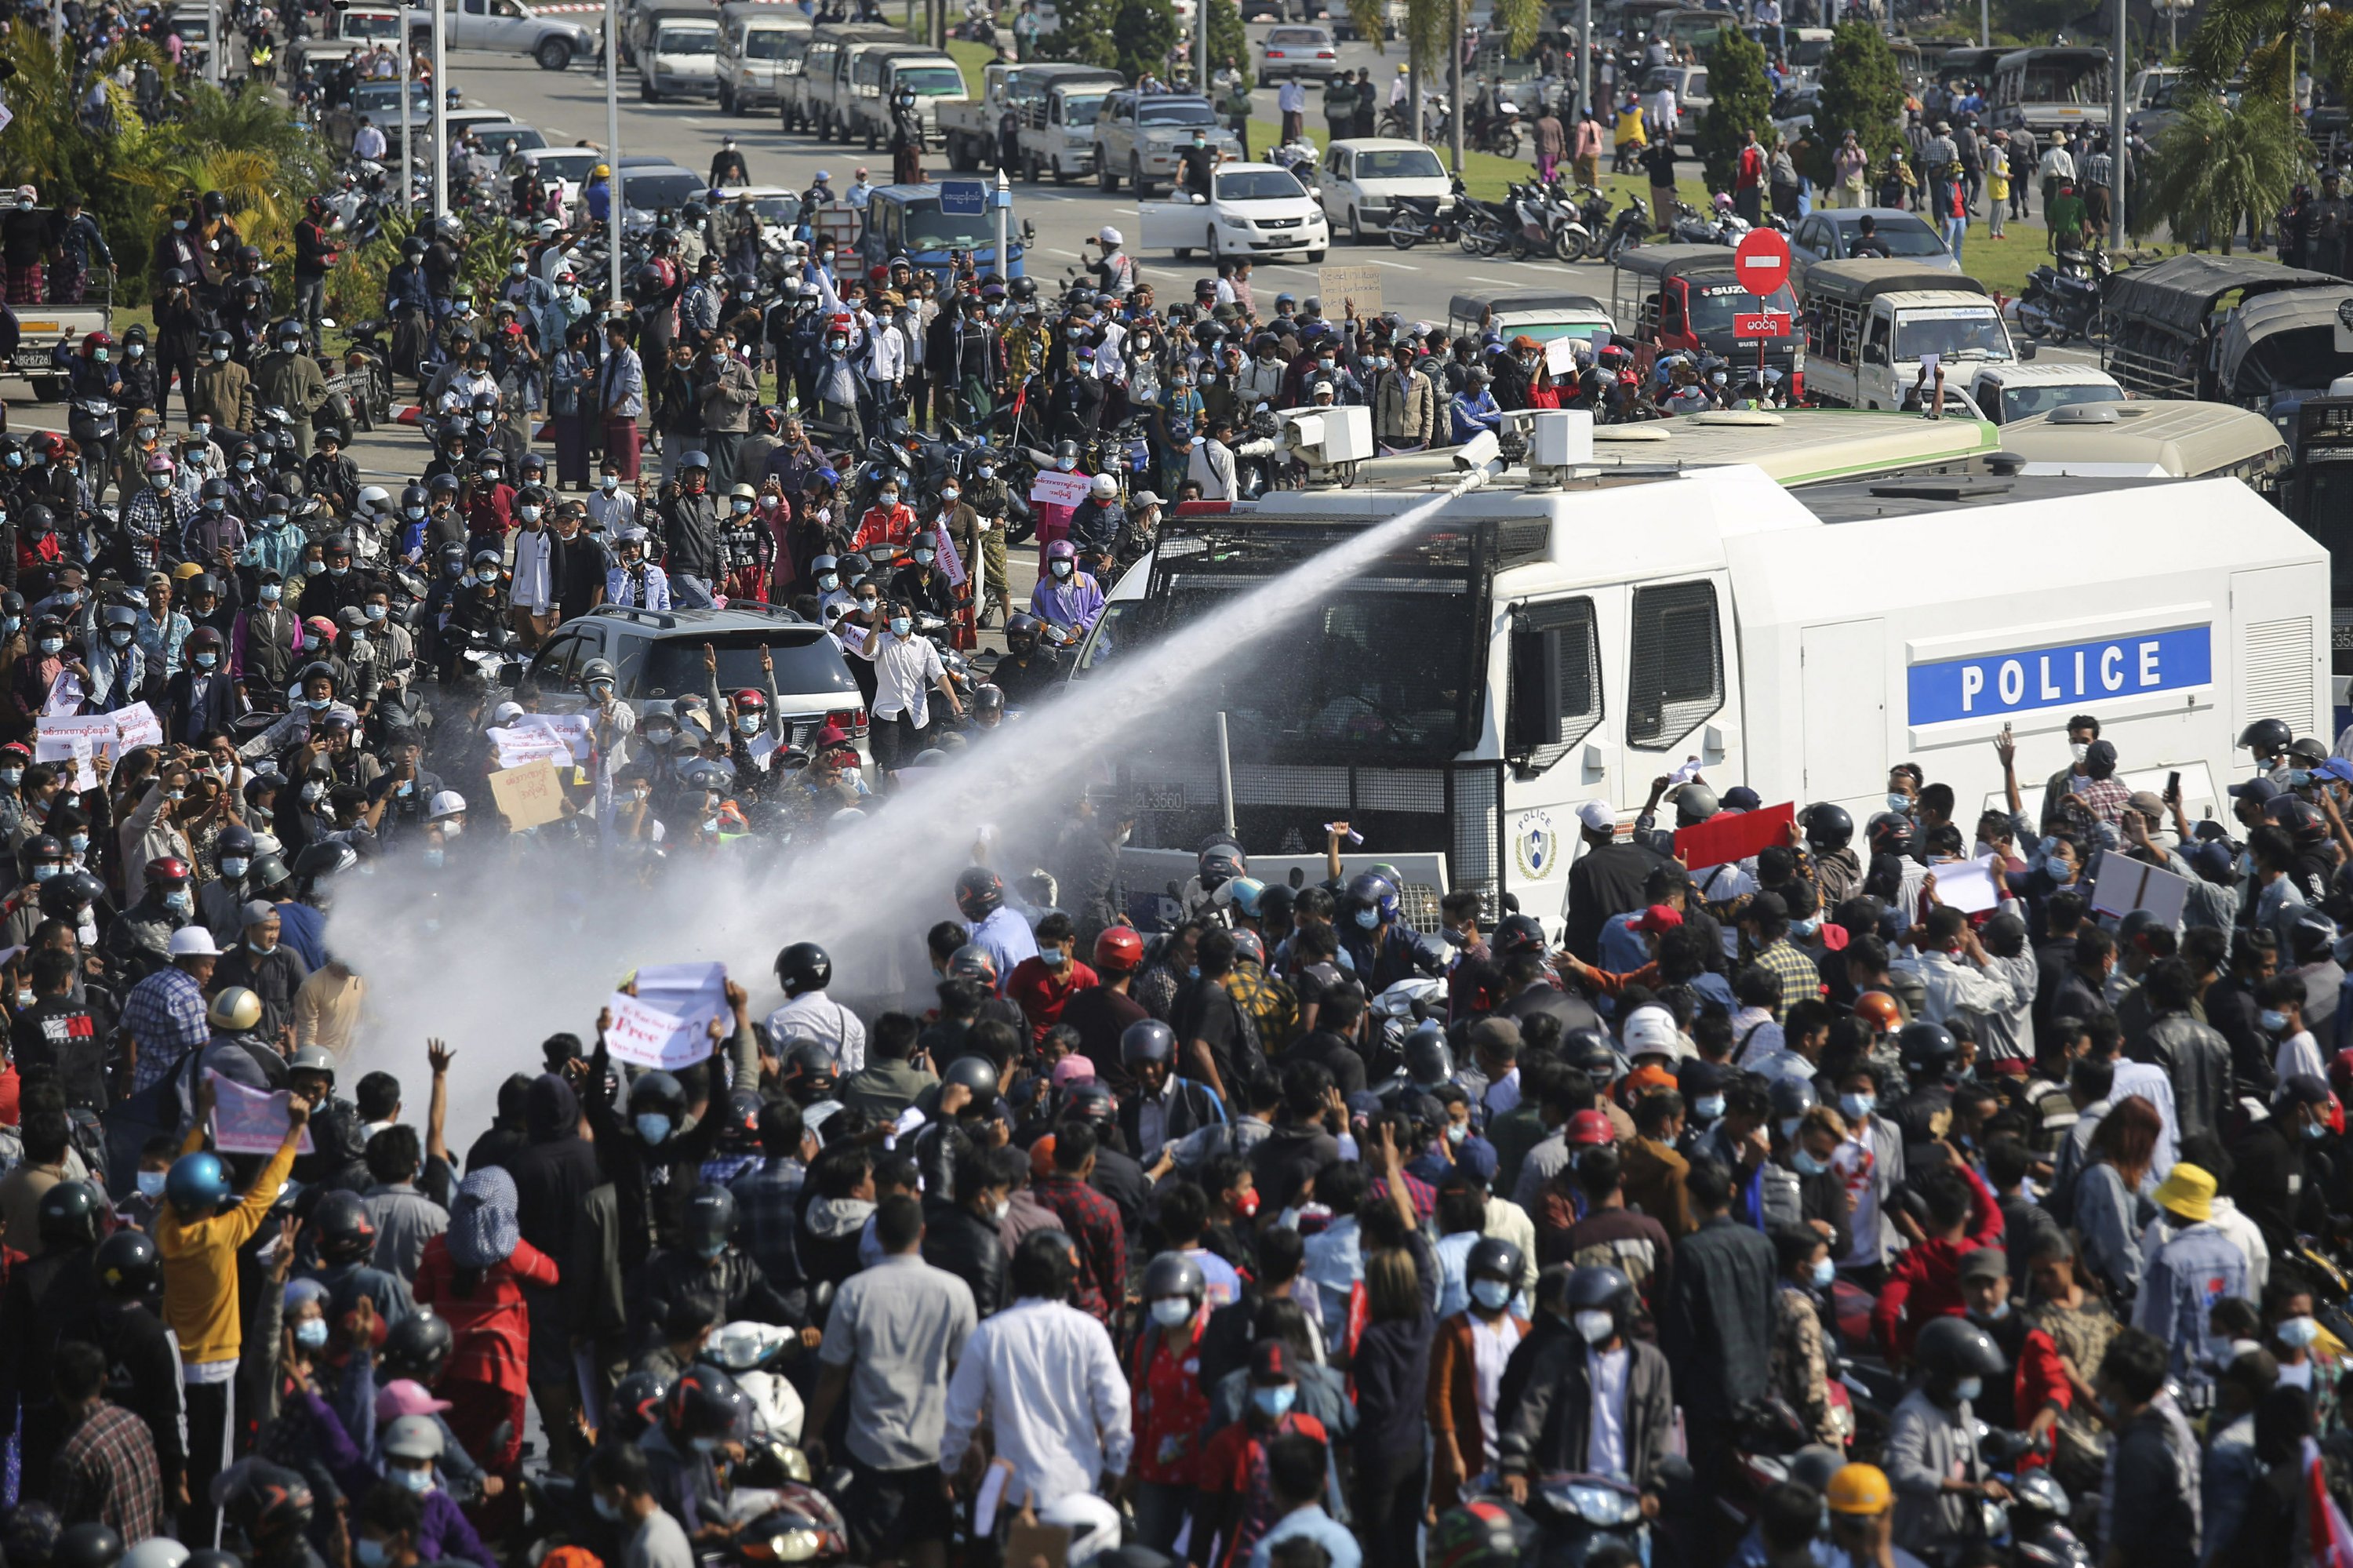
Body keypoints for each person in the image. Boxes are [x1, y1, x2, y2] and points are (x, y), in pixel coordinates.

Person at [940, 1229, 1131, 1513]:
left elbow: (960, 1411)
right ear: (1068, 1279)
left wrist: (950, 1464)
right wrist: (1117, 1464)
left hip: (1016, 1490)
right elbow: (1115, 1403)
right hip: (1080, 1484)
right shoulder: (1089, 1331)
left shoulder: (990, 1334)